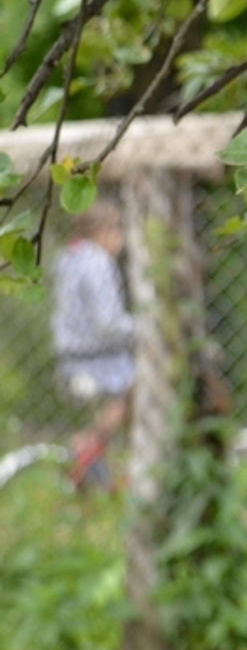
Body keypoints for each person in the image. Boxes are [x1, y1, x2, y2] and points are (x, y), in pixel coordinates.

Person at [49, 199, 134, 489]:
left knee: (118, 405)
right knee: (134, 394)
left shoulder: (68, 258)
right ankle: (88, 448)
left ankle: (95, 469)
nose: (122, 240)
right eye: (118, 230)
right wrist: (142, 328)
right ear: (101, 231)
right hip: (98, 360)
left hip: (71, 358)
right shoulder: (98, 261)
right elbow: (108, 323)